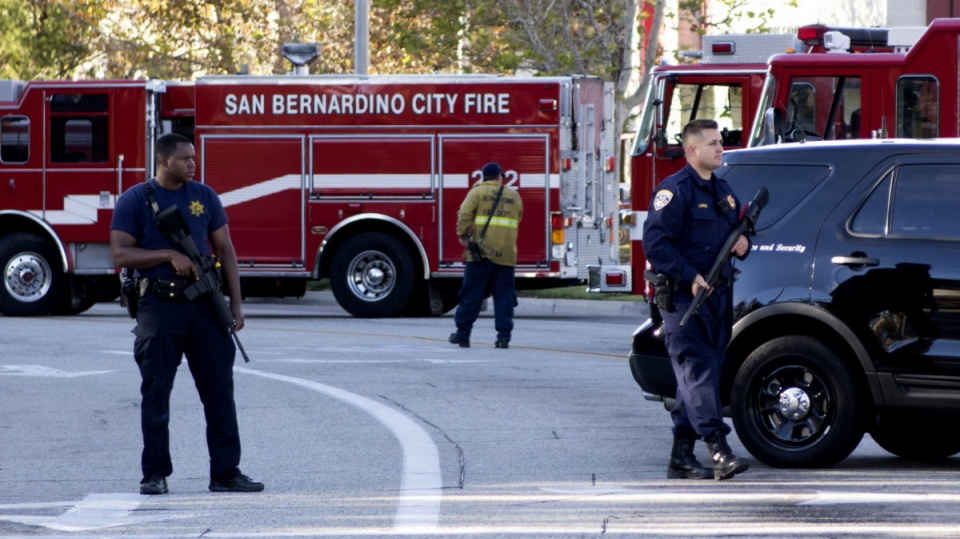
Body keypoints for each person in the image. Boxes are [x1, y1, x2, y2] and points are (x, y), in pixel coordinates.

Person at [110, 133, 264, 495]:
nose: (193, 164)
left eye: (194, 158)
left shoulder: (205, 196)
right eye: (185, 159)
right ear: (163, 161)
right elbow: (120, 254)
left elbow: (226, 251)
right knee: (156, 392)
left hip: (205, 306)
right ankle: (155, 473)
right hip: (159, 307)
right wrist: (167, 255)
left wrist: (235, 305)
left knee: (219, 392)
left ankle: (226, 472)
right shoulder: (135, 199)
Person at [642, 119, 751, 481]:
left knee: (698, 377)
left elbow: (742, 232)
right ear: (692, 151)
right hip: (681, 301)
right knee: (698, 371)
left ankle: (681, 456)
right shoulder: (674, 191)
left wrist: (744, 244)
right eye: (712, 144)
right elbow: (656, 244)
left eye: (720, 142)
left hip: (718, 297)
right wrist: (689, 275)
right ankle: (719, 449)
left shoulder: (725, 192)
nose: (721, 148)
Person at [449, 162, 523, 349]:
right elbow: (519, 218)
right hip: (506, 255)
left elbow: (464, 215)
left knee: (472, 295)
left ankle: (463, 334)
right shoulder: (514, 196)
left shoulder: (477, 192)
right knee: (504, 297)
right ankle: (503, 337)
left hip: (481, 255)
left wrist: (463, 236)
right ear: (499, 176)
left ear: (484, 177)